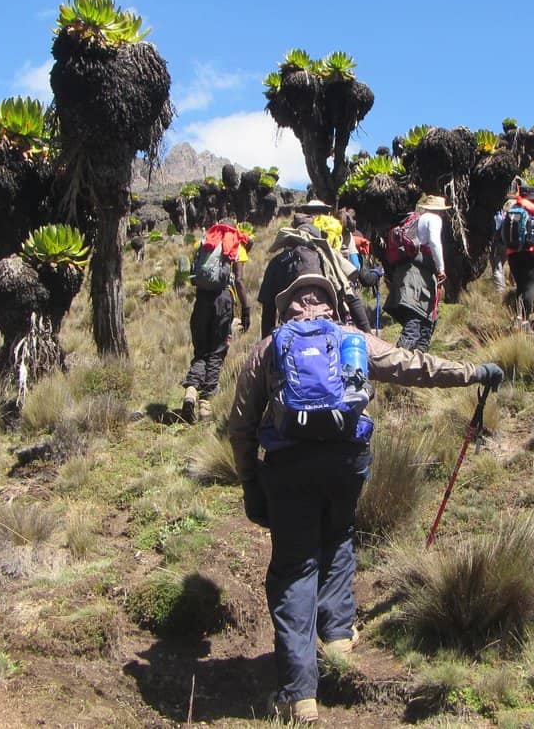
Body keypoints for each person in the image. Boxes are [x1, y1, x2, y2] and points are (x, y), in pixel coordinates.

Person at [228, 273, 505, 724]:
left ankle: (299, 695)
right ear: (331, 304)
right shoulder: (350, 338)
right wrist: (473, 372)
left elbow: (240, 425)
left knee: (295, 569)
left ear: (286, 309)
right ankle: (338, 637)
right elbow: (410, 365)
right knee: (339, 536)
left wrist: (249, 480)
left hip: (288, 468)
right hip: (346, 461)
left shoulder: (269, 347)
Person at [181, 220, 251, 422]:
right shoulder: (235, 244)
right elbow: (239, 280)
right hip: (223, 302)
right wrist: (246, 309)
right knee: (217, 352)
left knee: (201, 350)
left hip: (201, 301)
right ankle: (205, 404)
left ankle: (191, 391)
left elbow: (194, 272)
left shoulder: (204, 242)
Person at [385, 194, 449, 351]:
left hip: (406, 271)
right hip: (421, 272)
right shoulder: (434, 219)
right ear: (439, 210)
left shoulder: (415, 219)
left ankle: (413, 359)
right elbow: (434, 242)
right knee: (417, 319)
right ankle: (401, 359)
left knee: (418, 318)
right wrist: (441, 268)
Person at [503, 184, 534, 328]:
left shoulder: (511, 211)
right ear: (532, 198)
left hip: (513, 253)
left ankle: (518, 318)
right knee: (529, 286)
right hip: (533, 252)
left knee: (520, 286)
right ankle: (525, 321)